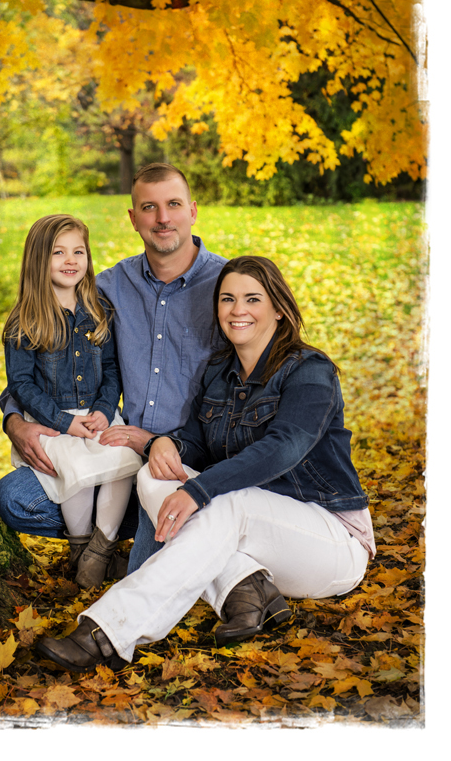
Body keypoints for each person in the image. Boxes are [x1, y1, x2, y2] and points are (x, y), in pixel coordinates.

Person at [35, 255, 376, 672]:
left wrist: (198, 490)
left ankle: (105, 632)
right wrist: (161, 444)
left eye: (253, 299)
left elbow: (284, 447)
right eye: (227, 299)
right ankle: (245, 586)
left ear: (279, 309)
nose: (237, 310)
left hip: (330, 542)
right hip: (251, 539)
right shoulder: (219, 371)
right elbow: (195, 445)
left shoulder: (309, 371)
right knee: (155, 475)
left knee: (224, 501)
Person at [0, 163, 227, 573]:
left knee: (186, 500)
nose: (163, 218)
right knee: (16, 499)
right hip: (110, 442)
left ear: (192, 210)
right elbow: (36, 365)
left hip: (190, 457)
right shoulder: (106, 289)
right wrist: (14, 420)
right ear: (133, 218)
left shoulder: (228, 287)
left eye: (173, 204)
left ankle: (141, 539)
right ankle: (111, 543)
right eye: (149, 207)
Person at [2, 214, 142, 587]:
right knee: (74, 471)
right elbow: (20, 384)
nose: (71, 260)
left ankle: (102, 549)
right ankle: (81, 551)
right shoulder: (25, 320)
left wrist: (104, 409)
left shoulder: (99, 310)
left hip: (98, 414)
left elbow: (111, 368)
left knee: (121, 460)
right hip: (54, 420)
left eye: (78, 251)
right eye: (58, 252)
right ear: (38, 260)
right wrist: (63, 422)